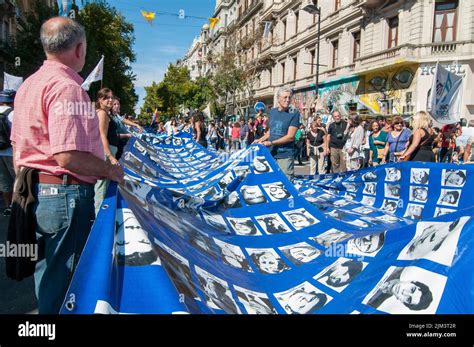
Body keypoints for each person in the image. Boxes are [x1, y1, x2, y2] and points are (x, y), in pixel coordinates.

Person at [11, 17, 124, 314]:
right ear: (79, 48)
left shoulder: (28, 86)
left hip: (35, 193)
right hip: (64, 196)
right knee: (66, 287)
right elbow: (67, 155)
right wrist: (110, 170)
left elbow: (19, 145)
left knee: (47, 278)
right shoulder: (67, 87)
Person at [255, 87, 300, 180]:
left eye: (289, 97)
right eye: (285, 97)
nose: (288, 100)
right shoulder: (272, 111)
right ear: (278, 98)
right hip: (271, 154)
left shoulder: (294, 114)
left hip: (285, 155)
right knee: (270, 181)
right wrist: (259, 140)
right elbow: (271, 131)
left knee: (285, 183)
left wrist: (271, 143)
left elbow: (290, 137)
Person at [94, 88, 120, 212]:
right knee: (102, 187)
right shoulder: (102, 113)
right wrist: (110, 156)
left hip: (109, 150)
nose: (110, 100)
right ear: (100, 100)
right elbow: (101, 135)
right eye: (106, 98)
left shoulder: (105, 113)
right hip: (106, 151)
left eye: (111, 97)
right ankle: (99, 216)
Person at [366, 267, 433, 311]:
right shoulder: (397, 267)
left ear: (402, 302)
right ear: (412, 282)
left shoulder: (372, 304)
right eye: (412, 289)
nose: (404, 292)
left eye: (408, 299)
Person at [0, 90, 16, 215]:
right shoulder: (13, 114)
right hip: (11, 152)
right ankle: (17, 206)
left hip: (0, 153)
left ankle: (7, 207)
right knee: (17, 180)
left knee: (4, 182)